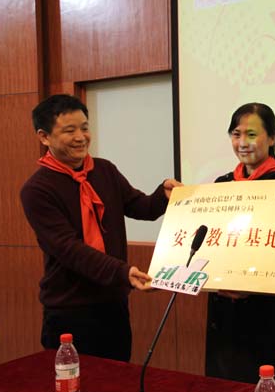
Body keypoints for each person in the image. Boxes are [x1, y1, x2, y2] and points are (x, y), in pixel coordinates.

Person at [20, 94, 181, 362]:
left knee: (117, 379)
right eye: (69, 130)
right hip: (69, 311)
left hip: (113, 305)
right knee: (72, 382)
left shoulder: (104, 170)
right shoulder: (37, 190)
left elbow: (140, 207)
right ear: (44, 137)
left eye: (84, 128)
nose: (81, 137)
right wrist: (123, 272)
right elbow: (69, 250)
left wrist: (163, 195)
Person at [205, 103, 275, 388]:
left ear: (272, 138)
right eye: (236, 134)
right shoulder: (222, 185)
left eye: (252, 134)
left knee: (264, 386)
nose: (242, 142)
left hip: (264, 308)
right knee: (221, 387)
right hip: (223, 307)